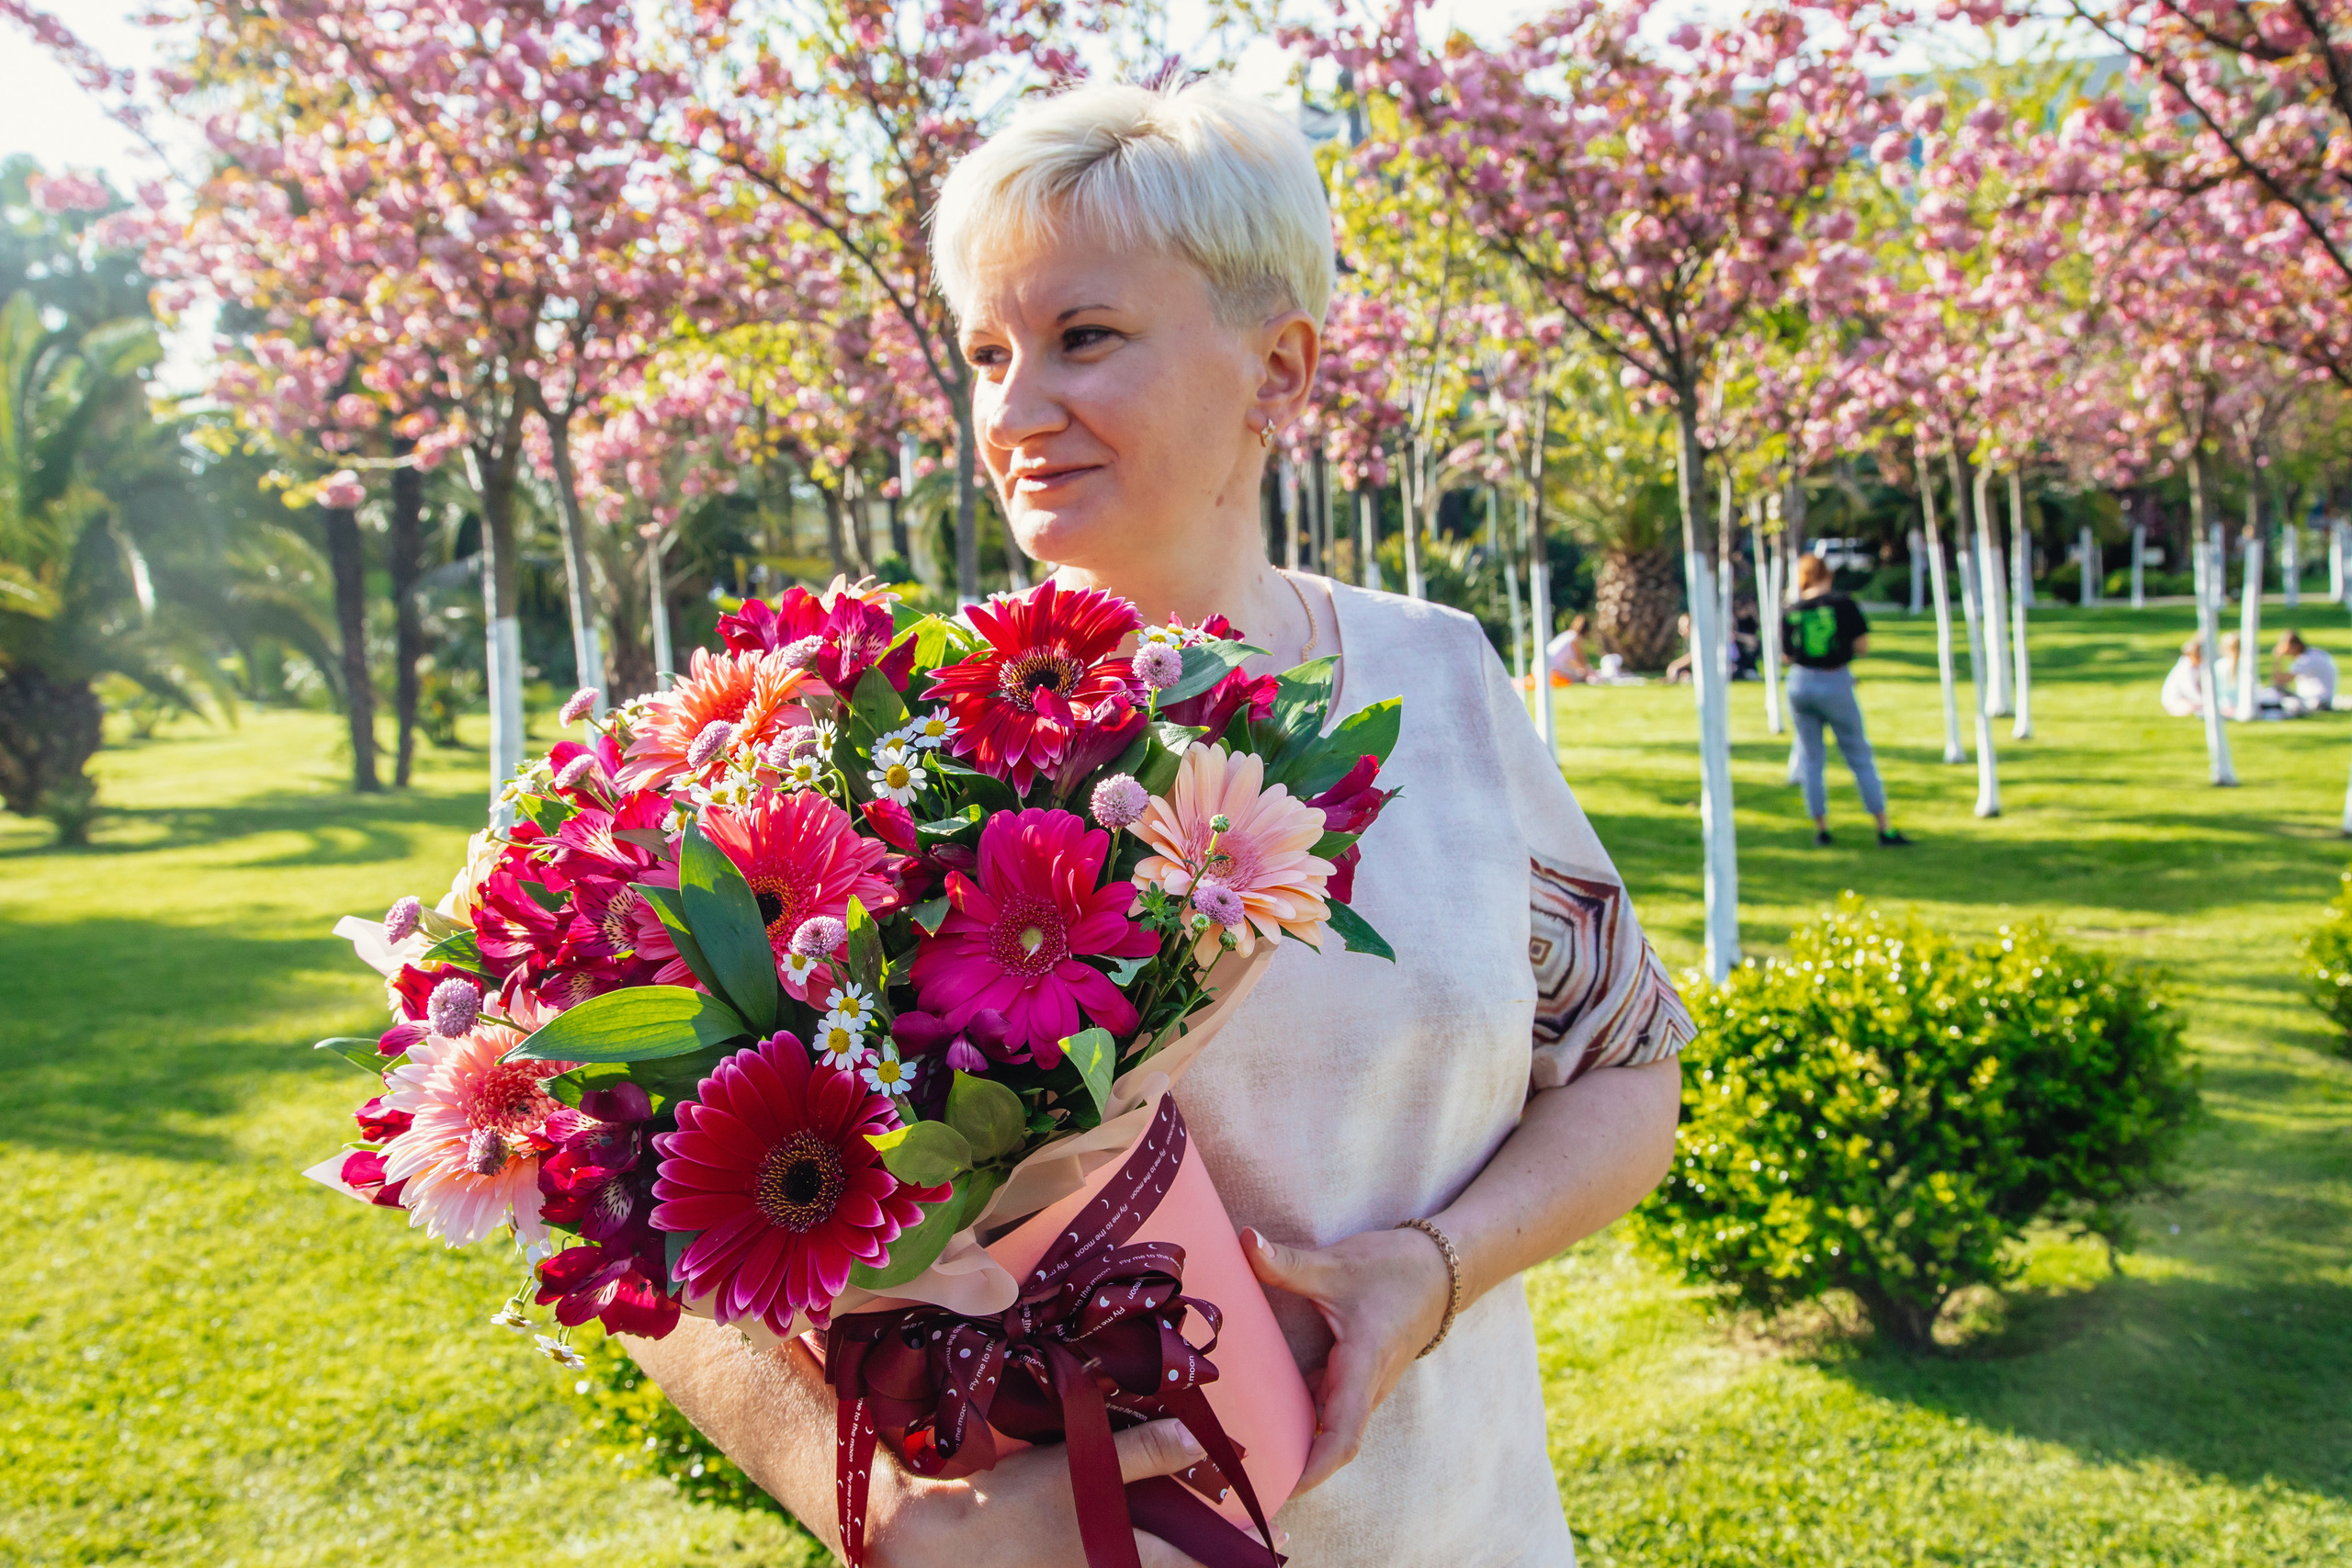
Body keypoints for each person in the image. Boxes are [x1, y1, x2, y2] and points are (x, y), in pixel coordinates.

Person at [619, 77, 1689, 1568]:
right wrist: (886, 1520)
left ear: (1283, 371)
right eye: (987, 352)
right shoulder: (868, 749)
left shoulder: (1435, 681)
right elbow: (633, 1220)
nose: (1010, 410)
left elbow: (1631, 1074)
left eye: (1084, 338)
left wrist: (1428, 1271)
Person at [1782, 554, 1907, 847]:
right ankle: (1883, 828)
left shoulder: (1792, 609)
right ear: (1827, 574)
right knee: (1858, 755)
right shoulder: (1844, 603)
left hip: (1800, 682)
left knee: (1811, 759)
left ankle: (1821, 829)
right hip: (1834, 680)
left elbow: (1786, 655)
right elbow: (1862, 646)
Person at [2275, 630, 2338, 710]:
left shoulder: (2305, 660)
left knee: (2277, 691)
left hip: (2316, 701)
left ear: (2295, 646)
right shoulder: (2315, 653)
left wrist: (2278, 658)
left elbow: (2279, 681)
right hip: (2325, 699)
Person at [2160, 635, 2207, 717]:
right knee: (2192, 708)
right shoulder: (2185, 668)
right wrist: (2203, 701)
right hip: (2176, 701)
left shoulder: (2197, 666)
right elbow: (2189, 689)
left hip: (2188, 699)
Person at [1545, 613, 1595, 682]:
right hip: (1552, 671)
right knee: (1580, 676)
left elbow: (1570, 661)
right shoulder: (1574, 639)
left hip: (1540, 666)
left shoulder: (1566, 635)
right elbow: (1582, 662)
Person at [1662, 612, 1696, 683]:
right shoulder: (1687, 641)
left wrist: (1675, 665)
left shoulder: (1698, 640)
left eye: (1684, 627)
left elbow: (1695, 655)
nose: (1681, 630)